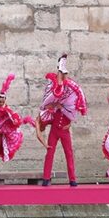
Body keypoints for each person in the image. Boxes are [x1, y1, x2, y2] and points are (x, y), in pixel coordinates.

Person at [36, 54, 87, 187]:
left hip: (64, 130)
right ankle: (46, 178)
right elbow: (48, 105)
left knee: (69, 153)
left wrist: (69, 122)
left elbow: (72, 111)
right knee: (50, 153)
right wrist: (55, 106)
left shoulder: (68, 92)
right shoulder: (54, 100)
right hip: (55, 130)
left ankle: (72, 179)